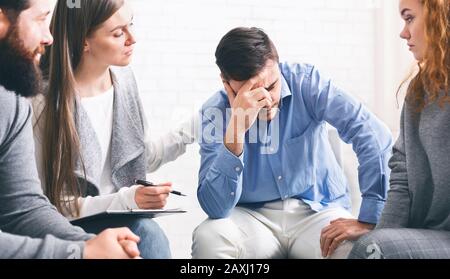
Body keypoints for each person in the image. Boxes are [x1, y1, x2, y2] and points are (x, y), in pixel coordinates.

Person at [192, 27, 394, 259]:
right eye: (250, 94)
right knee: (209, 235)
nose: (266, 101)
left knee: (355, 248)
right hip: (250, 217)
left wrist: (371, 217)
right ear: (227, 84)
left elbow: (372, 133)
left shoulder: (306, 83)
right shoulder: (214, 112)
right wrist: (236, 129)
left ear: (277, 65)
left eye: (270, 86)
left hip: (317, 211)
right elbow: (215, 208)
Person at [32, 0, 196, 259]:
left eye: (131, 25)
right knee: (148, 234)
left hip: (123, 217)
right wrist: (127, 200)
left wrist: (197, 126)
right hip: (68, 227)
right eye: (118, 33)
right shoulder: (42, 103)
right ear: (84, 41)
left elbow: (143, 156)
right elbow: (45, 207)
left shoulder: (124, 81)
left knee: (146, 233)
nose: (133, 39)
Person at [0, 0, 141, 259]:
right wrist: (79, 251)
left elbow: (23, 209)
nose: (49, 37)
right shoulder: (38, 103)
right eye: (41, 19)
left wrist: (95, 245)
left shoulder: (12, 96)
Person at [349, 0, 450, 259]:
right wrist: (381, 233)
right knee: (370, 247)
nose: (403, 33)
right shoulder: (420, 90)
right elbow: (402, 173)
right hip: (431, 233)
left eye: (409, 18)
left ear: (440, 15)